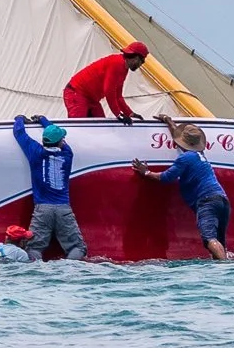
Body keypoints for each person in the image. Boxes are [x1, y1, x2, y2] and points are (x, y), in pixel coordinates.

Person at [131, 115, 230, 261]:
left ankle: (224, 268)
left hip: (207, 201)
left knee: (209, 239)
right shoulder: (200, 154)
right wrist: (169, 121)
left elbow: (165, 177)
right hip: (222, 201)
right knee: (219, 242)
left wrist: (145, 172)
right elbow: (180, 141)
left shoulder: (185, 158)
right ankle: (226, 267)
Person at [12, 115, 87, 260]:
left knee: (33, 248)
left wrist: (19, 119)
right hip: (63, 208)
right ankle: (68, 271)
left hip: (42, 209)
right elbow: (59, 140)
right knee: (78, 248)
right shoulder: (67, 154)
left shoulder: (35, 152)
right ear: (60, 142)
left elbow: (19, 133)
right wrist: (43, 120)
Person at [64, 42, 149, 120]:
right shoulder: (117, 63)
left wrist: (130, 113)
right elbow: (109, 91)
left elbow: (118, 95)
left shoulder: (123, 67)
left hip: (91, 98)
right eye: (142, 61)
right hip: (76, 92)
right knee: (80, 125)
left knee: (101, 124)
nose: (140, 65)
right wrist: (118, 114)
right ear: (136, 58)